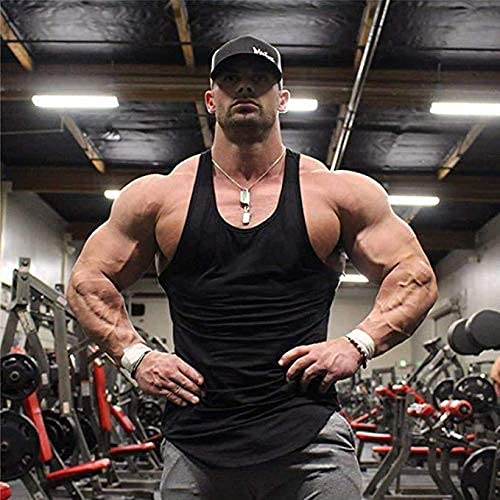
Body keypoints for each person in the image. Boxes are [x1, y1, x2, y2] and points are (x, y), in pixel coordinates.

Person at [67, 35, 438, 499]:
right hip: (197, 442)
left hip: (310, 438)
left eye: (260, 80)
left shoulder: (335, 192)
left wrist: (357, 343)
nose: (245, 88)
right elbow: (88, 280)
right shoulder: (159, 196)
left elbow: (414, 276)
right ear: (211, 100)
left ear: (282, 99)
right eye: (230, 80)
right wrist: (135, 355)